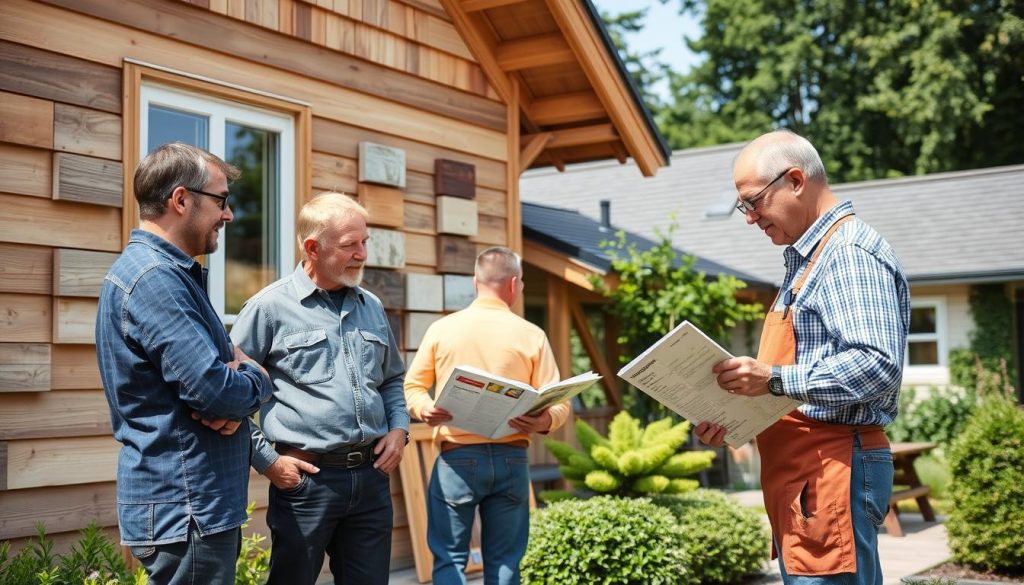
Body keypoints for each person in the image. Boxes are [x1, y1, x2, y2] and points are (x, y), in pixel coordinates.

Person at [695, 130, 910, 585]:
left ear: (795, 180)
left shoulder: (847, 253)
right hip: (807, 476)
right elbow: (794, 381)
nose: (750, 218)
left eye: (753, 202)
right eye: (743, 207)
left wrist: (771, 379)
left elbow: (877, 366)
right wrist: (735, 417)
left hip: (832, 468)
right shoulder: (810, 259)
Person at [96, 142, 273, 585]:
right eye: (221, 200)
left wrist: (231, 396)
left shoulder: (168, 274)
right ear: (180, 200)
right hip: (188, 506)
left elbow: (215, 390)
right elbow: (215, 390)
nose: (229, 215)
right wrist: (258, 377)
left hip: (191, 505)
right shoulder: (155, 279)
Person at [230, 192, 409, 585]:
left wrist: (399, 429)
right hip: (307, 481)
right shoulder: (268, 308)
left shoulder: (372, 307)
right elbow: (229, 396)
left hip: (372, 478)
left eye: (365, 242)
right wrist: (268, 462)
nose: (362, 254)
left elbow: (393, 378)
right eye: (350, 245)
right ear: (313, 247)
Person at [404, 246, 571, 585]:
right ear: (513, 284)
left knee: (450, 560)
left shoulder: (442, 329)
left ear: (475, 282)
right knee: (506, 561)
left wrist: (425, 409)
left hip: (457, 459)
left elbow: (412, 387)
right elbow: (560, 402)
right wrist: (543, 421)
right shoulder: (531, 334)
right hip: (512, 460)